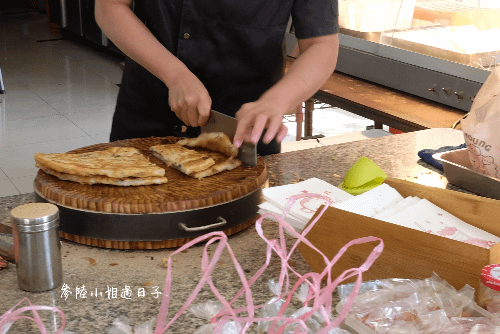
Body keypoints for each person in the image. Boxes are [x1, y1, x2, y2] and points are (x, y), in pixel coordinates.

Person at [95, 0, 339, 155]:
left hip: (245, 126)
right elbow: (110, 6)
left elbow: (322, 44)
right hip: (151, 104)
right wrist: (175, 75)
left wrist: (277, 101)